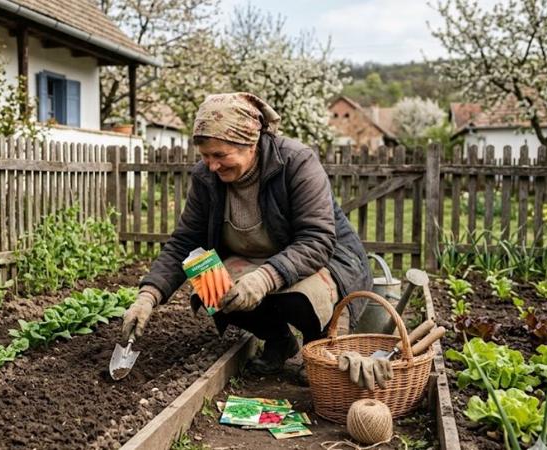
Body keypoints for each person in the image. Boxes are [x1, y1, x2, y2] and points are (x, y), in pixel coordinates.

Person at [121, 93, 372, 375]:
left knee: (298, 299)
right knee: (209, 284)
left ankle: (320, 341)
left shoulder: (297, 162)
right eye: (205, 156)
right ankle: (279, 340)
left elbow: (316, 239)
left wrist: (265, 277)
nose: (212, 165)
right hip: (257, 258)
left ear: (250, 144)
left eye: (220, 155)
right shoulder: (206, 178)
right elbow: (186, 241)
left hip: (321, 260)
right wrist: (148, 296)